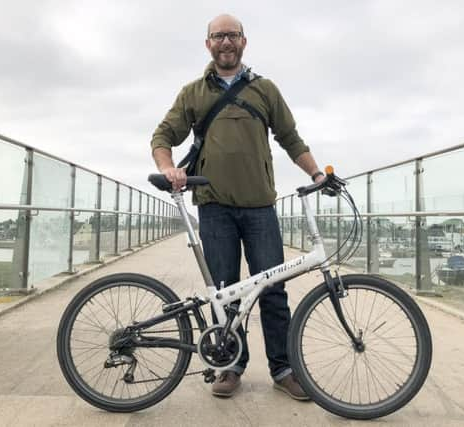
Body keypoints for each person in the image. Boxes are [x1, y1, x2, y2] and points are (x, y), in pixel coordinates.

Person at [150, 13, 325, 400]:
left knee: (274, 292)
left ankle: (283, 368)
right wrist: (168, 168)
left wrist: (316, 175)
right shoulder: (193, 93)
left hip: (261, 206)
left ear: (244, 41)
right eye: (218, 36)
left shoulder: (265, 89)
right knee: (226, 293)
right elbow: (163, 135)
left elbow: (290, 138)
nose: (225, 42)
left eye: (232, 35)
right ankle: (229, 367)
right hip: (214, 209)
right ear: (208, 44)